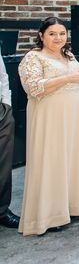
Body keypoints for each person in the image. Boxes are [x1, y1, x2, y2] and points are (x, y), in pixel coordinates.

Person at [18, 17, 79, 235]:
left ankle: (72, 206)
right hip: (49, 118)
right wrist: (70, 77)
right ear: (42, 35)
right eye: (52, 33)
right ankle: (49, 214)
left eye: (62, 33)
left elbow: (77, 80)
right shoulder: (33, 57)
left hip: (73, 117)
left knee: (71, 158)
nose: (58, 38)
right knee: (51, 159)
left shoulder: (68, 55)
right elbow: (33, 88)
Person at [0, 54, 19, 229]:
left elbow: (2, 73)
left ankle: (2, 211)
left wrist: (6, 103)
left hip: (2, 111)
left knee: (4, 164)